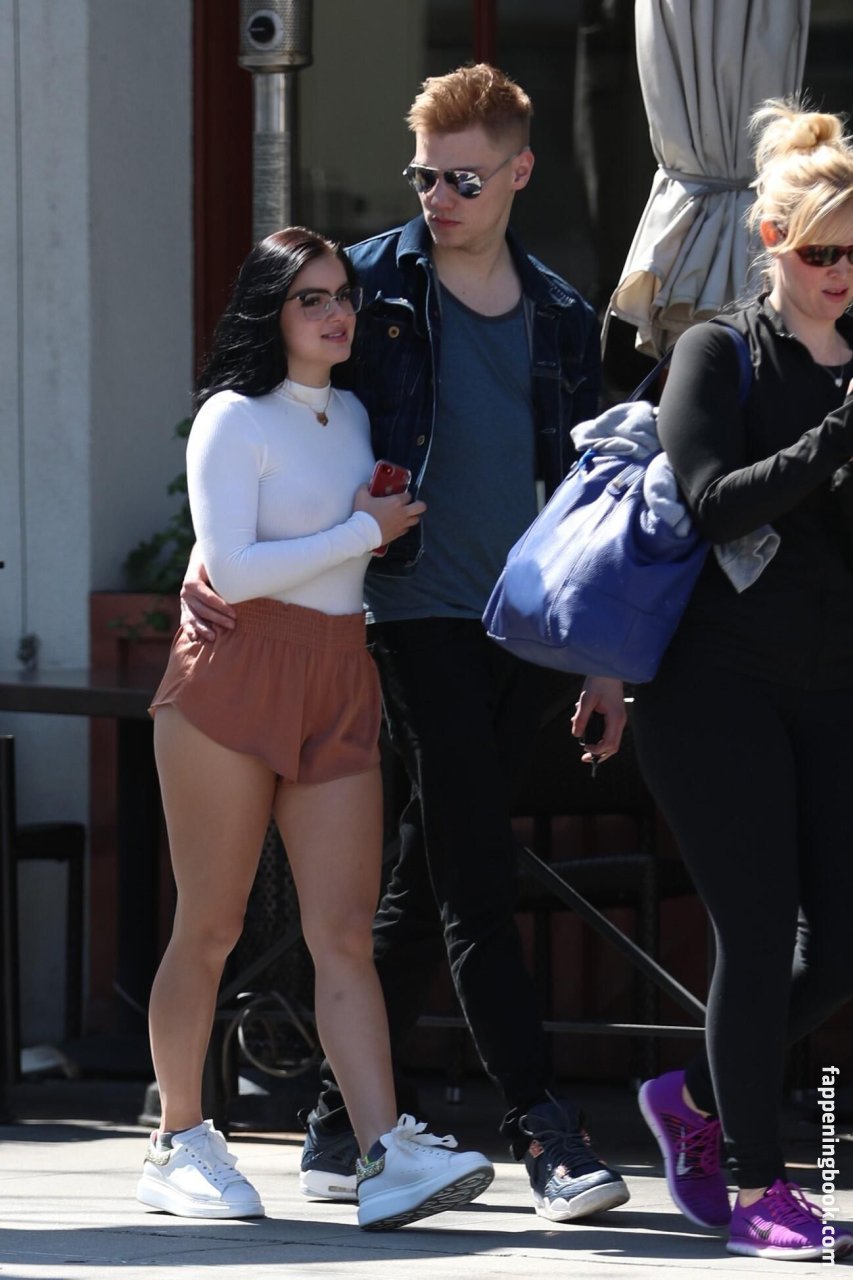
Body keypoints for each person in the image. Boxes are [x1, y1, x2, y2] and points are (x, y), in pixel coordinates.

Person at [182, 64, 629, 1224]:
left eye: (464, 179)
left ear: (520, 172)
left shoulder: (563, 315)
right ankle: (545, 1127)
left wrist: (602, 651)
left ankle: (338, 1124)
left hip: (521, 626)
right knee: (477, 871)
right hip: (405, 613)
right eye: (424, 175)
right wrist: (205, 552)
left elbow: (591, 496)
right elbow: (260, 403)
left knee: (430, 871)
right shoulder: (369, 285)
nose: (439, 197)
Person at [136, 226, 494, 1230]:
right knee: (211, 925)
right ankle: (178, 1138)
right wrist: (362, 531)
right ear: (271, 310)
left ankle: (383, 1151)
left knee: (342, 934)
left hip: (338, 672)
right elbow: (232, 568)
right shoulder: (230, 416)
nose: (337, 313)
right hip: (235, 674)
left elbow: (318, 553)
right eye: (311, 298)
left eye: (343, 296)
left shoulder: (358, 412)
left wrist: (364, 523)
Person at [631, 100, 853, 1262]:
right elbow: (713, 502)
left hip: (831, 683)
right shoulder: (716, 352)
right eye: (819, 251)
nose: (839, 273)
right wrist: (834, 439)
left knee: (843, 941)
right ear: (771, 238)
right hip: (712, 688)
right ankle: (762, 1185)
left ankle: (695, 1100)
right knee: (757, 937)